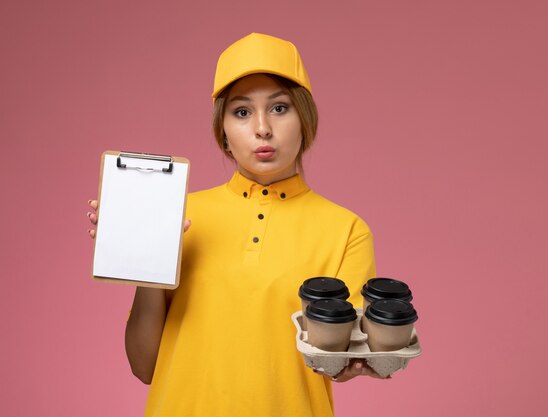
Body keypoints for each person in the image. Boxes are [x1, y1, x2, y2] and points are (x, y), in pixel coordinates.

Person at [88, 32, 383, 417]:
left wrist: (358, 359)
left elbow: (342, 361)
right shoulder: (181, 215)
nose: (262, 128)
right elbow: (145, 367)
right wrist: (147, 259)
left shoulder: (346, 230)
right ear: (223, 132)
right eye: (241, 112)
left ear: (304, 120)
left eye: (279, 108)